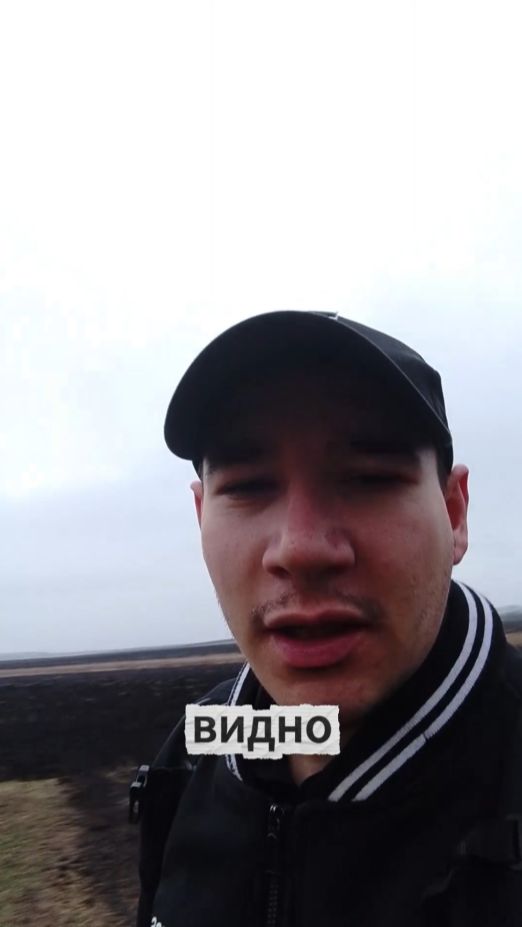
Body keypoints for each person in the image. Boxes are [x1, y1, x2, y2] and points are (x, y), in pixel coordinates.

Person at [133, 310, 522, 927]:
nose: (301, 549)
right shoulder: (197, 747)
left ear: (454, 514)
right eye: (248, 486)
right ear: (201, 517)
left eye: (369, 479)